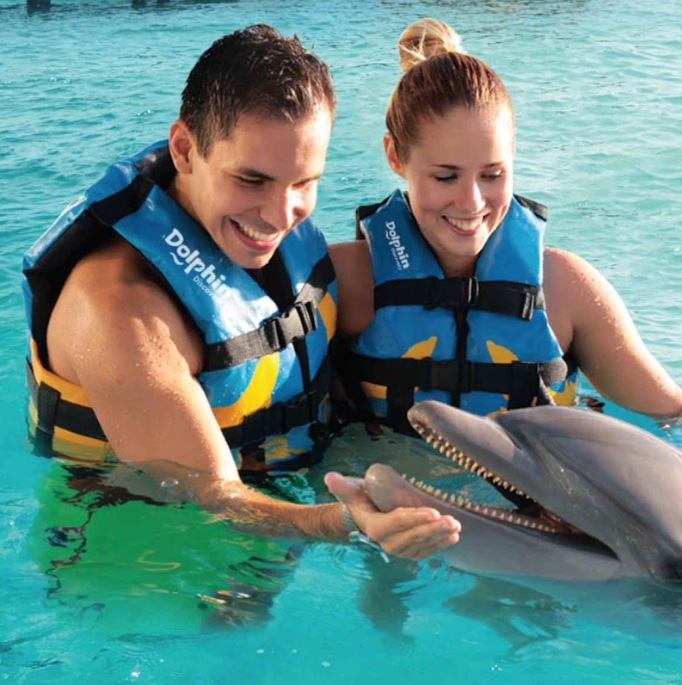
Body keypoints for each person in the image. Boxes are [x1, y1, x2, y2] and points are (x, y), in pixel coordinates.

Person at [330, 19, 682, 488]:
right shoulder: (349, 281)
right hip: (390, 518)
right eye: (445, 177)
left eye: (493, 174)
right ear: (395, 157)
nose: (472, 202)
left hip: (533, 508)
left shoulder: (565, 287)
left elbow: (675, 409)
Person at [22, 24, 460, 561]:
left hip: (283, 490)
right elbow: (212, 498)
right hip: (136, 552)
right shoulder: (119, 313)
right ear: (184, 149)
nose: (280, 217)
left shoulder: (262, 230)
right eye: (251, 180)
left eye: (304, 183)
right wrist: (350, 522)